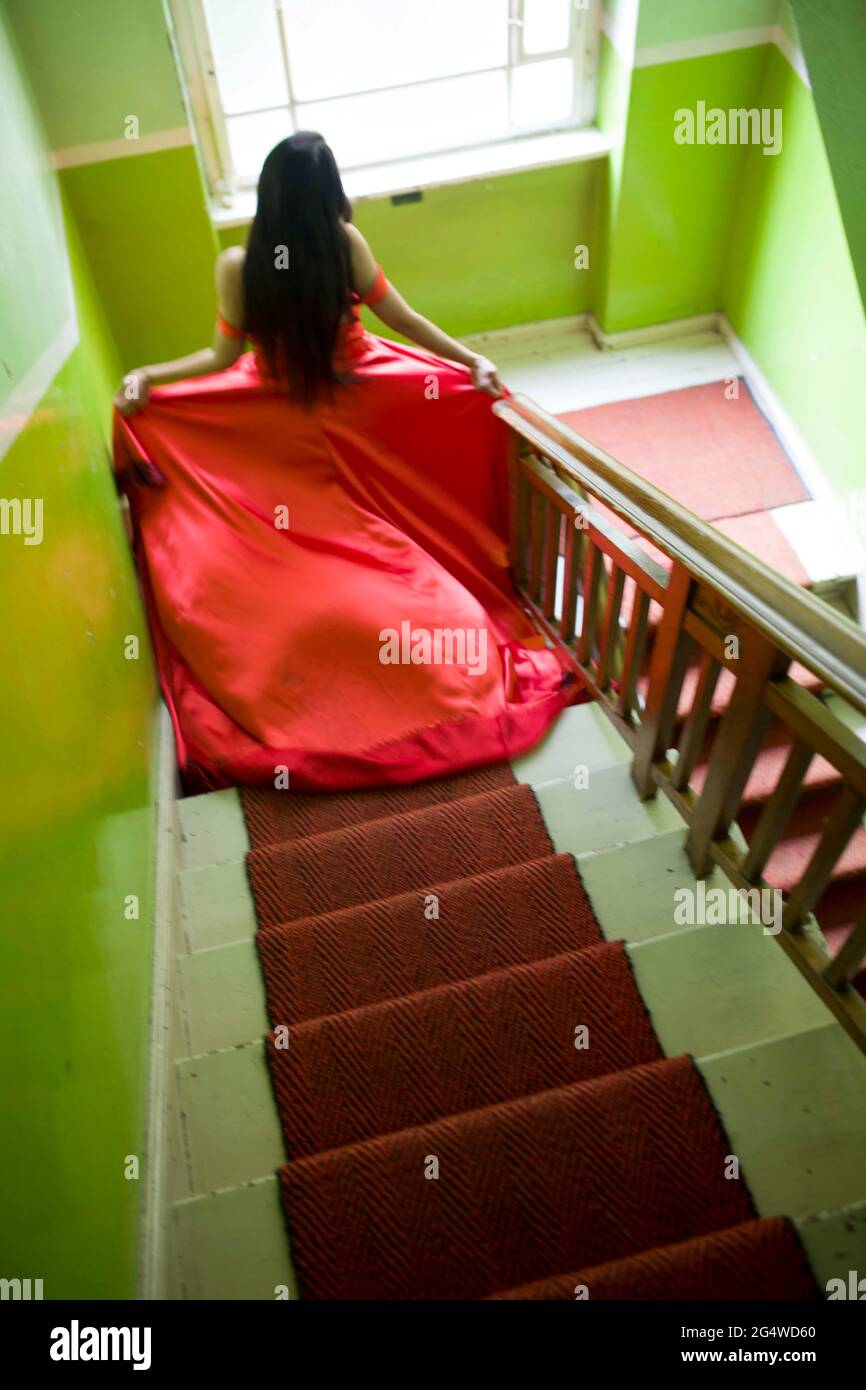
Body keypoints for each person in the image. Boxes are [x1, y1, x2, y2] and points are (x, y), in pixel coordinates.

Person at [113, 132, 576, 791]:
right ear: (327, 193)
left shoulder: (237, 263)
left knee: (314, 527)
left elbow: (219, 360)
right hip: (360, 392)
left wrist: (149, 378)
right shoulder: (344, 245)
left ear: (269, 197)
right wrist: (466, 360)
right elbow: (404, 320)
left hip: (278, 402)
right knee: (421, 471)